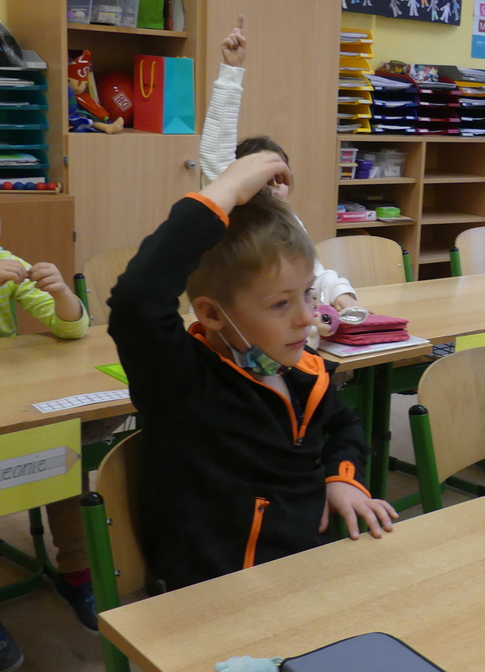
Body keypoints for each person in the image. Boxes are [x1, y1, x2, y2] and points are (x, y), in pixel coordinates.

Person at [107, 152, 397, 591]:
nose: (306, 318)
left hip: (309, 571)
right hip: (221, 594)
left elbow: (345, 425)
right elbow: (136, 300)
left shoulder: (301, 370)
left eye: (307, 294)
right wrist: (223, 192)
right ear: (212, 314)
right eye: (280, 304)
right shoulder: (182, 380)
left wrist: (342, 478)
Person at [198, 16, 360, 313]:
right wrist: (231, 72)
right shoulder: (229, 216)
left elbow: (313, 274)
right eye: (265, 177)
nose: (274, 187)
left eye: (281, 178)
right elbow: (215, 150)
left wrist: (342, 296)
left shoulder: (286, 220)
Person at [0, 221, 93, 668]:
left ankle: (76, 573)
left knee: (60, 450)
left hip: (12, 402)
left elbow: (72, 329)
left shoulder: (5, 261)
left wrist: (61, 294)